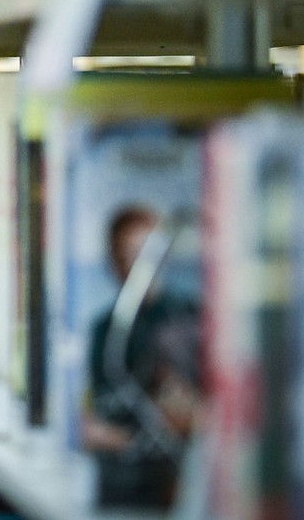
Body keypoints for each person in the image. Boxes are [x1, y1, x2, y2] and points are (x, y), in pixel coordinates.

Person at [81, 204, 202, 510]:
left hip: (180, 475)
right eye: (129, 253)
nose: (140, 263)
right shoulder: (107, 330)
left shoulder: (189, 317)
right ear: (115, 261)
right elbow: (95, 413)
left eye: (147, 250)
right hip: (122, 481)